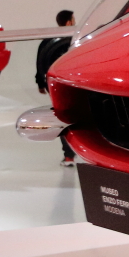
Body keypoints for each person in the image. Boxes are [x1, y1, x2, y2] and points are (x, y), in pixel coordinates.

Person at [36, 9, 76, 165]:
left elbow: (40, 63)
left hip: (55, 86)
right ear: (69, 22)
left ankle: (69, 156)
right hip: (75, 85)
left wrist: (41, 83)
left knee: (63, 117)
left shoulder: (48, 41)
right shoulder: (75, 39)